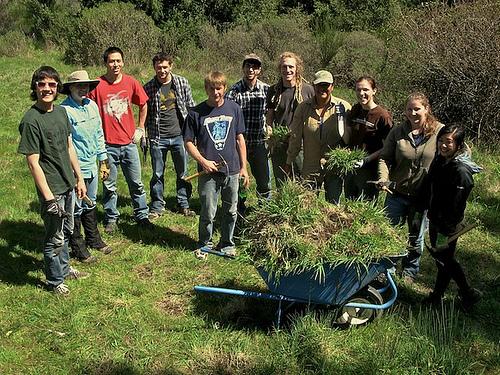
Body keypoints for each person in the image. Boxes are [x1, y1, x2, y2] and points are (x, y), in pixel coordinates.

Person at [18, 66, 88, 295]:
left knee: (67, 232)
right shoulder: (31, 121)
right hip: (52, 189)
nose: (46, 89)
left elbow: (70, 147)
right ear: (35, 87)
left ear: (57, 88)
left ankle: (65, 269)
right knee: (54, 237)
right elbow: (33, 163)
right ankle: (55, 281)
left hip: (68, 184)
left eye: (51, 84)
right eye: (41, 84)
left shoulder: (60, 113)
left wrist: (79, 178)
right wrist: (48, 198)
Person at [377, 92, 444, 281]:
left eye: (417, 109)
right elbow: (384, 157)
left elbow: (459, 150)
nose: (413, 113)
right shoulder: (398, 131)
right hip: (396, 192)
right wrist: (384, 179)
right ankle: (384, 270)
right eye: (409, 109)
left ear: (426, 109)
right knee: (387, 231)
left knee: (415, 236)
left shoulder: (439, 131)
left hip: (422, 197)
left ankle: (410, 271)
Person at [183, 71, 249, 258]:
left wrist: (244, 167)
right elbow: (188, 142)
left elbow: (240, 139)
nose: (215, 92)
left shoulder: (234, 109)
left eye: (219, 88)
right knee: (208, 210)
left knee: (230, 209)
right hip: (208, 173)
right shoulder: (195, 113)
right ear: (206, 89)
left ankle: (227, 243)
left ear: (224, 88)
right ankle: (205, 242)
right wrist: (203, 162)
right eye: (211, 88)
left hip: (232, 170)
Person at [417, 124, 482, 310]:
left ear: (458, 145)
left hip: (448, 224)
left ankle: (448, 295)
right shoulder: (440, 159)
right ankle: (464, 293)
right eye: (441, 140)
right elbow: (430, 184)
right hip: (435, 218)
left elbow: (457, 203)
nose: (443, 145)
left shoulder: (461, 171)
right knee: (443, 259)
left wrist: (447, 225)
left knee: (444, 259)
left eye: (449, 142)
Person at [87, 46, 152, 232]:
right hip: (106, 146)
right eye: (111, 61)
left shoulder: (131, 82)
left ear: (123, 62)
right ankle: (111, 218)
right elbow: (87, 108)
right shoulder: (97, 85)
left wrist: (140, 127)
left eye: (118, 61)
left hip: (129, 144)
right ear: (106, 63)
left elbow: (143, 103)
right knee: (109, 185)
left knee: (136, 183)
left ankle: (142, 215)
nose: (115, 64)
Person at [61, 70, 113, 263]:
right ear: (70, 88)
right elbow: (66, 145)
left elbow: (99, 133)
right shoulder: (64, 111)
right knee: (75, 206)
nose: (83, 89)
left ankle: (94, 239)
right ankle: (77, 246)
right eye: (79, 86)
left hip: (92, 163)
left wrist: (104, 160)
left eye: (86, 86)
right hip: (76, 167)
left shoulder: (92, 106)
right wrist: (74, 172)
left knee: (90, 202)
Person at [285, 70, 351, 204]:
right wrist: (289, 161)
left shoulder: (343, 107)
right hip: (310, 166)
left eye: (326, 85)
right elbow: (295, 137)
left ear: (332, 86)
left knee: (333, 206)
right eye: (319, 85)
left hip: (333, 167)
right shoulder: (303, 108)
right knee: (306, 206)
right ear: (313, 86)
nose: (322, 89)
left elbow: (349, 138)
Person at [143, 52, 195, 219]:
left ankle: (184, 203)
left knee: (183, 172)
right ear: (154, 68)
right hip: (158, 136)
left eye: (165, 67)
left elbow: (191, 106)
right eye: (159, 67)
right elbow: (145, 113)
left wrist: (194, 131)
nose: (162, 70)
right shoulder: (149, 87)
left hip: (180, 135)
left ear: (170, 66)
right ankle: (157, 206)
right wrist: (144, 135)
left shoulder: (181, 82)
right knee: (157, 173)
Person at [226, 53, 271, 215]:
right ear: (243, 68)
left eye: (254, 67)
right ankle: (239, 207)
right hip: (239, 143)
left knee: (264, 180)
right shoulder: (234, 91)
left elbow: (272, 113)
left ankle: (265, 208)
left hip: (259, 142)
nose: (251, 69)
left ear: (259, 70)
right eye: (248, 66)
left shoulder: (266, 90)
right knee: (239, 180)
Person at [266, 52, 314, 186]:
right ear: (280, 68)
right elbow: (270, 114)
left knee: (301, 181)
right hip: (279, 143)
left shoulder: (308, 90)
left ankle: (302, 206)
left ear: (297, 68)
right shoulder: (273, 91)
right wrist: (269, 129)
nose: (287, 70)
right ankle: (283, 206)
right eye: (284, 67)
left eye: (291, 67)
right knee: (282, 180)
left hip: (301, 144)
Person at [345, 76, 392, 201]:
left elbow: (388, 146)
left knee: (365, 208)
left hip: (369, 170)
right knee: (348, 206)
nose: (361, 93)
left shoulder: (382, 116)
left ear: (374, 91)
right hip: (351, 167)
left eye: (365, 90)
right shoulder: (356, 110)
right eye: (358, 90)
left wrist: (366, 160)